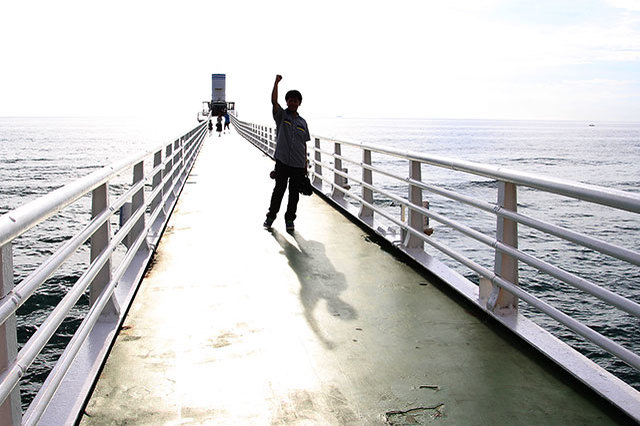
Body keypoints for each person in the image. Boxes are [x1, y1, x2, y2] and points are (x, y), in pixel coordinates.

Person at [263, 74, 311, 232]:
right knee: (279, 191)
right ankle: (270, 217)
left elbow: (304, 144)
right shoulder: (281, 116)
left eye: (295, 101)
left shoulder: (303, 123)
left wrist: (305, 165)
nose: (293, 102)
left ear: (299, 103)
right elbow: (273, 102)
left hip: (298, 164)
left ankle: (290, 219)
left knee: (294, 195)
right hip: (283, 161)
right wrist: (276, 82)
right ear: (287, 102)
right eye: (290, 100)